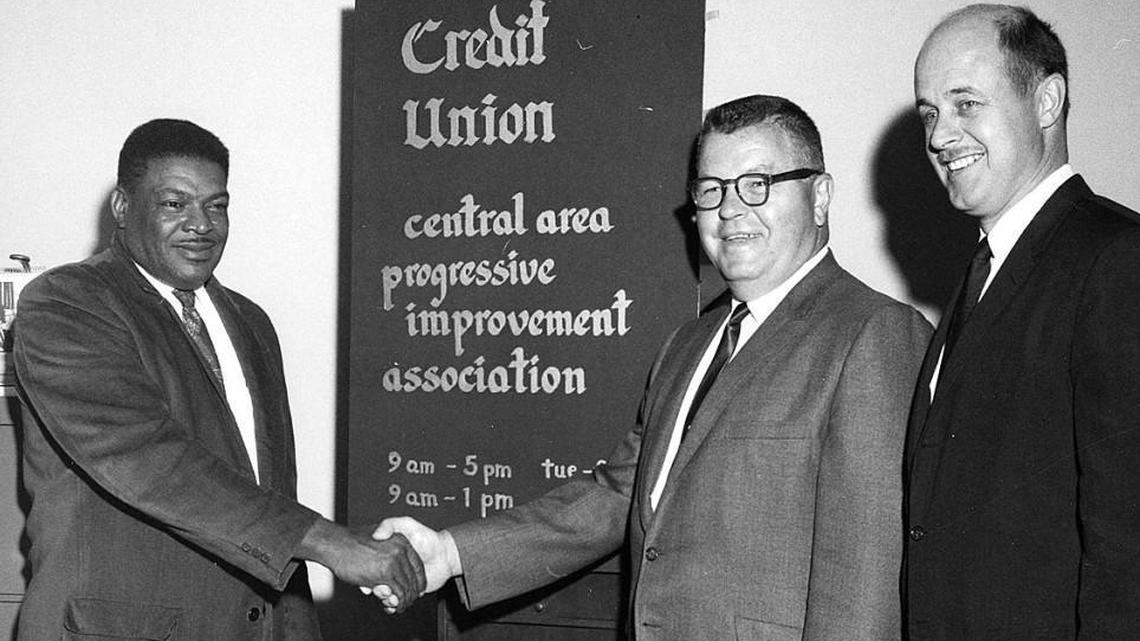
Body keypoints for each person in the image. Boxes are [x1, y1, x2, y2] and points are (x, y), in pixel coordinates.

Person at [376, 95, 932, 640]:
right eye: (711, 191)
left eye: (757, 185)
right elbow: (618, 495)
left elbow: (866, 581)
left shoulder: (873, 334)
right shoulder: (687, 346)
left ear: (820, 196)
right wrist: (448, 554)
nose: (730, 210)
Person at [13, 119, 424, 640]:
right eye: (173, 204)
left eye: (216, 205)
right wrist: (332, 544)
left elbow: (263, 491)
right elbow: (150, 460)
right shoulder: (67, 302)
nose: (200, 224)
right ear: (122, 207)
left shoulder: (250, 322)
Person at [905, 5, 1140, 639]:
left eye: (965, 104)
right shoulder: (983, 273)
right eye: (930, 113)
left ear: (1047, 101)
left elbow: (1129, 543)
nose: (939, 136)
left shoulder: (1117, 259)